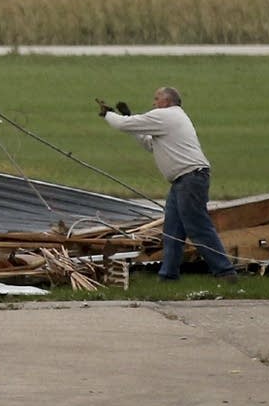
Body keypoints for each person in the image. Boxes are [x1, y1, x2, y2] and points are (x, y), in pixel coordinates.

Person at [99, 86, 238, 282]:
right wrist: (130, 119)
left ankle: (225, 272)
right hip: (183, 180)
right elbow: (150, 144)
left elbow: (123, 125)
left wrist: (109, 114)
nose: (153, 103)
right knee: (172, 230)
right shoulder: (169, 119)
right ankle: (168, 275)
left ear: (167, 101)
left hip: (190, 179)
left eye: (156, 98)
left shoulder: (166, 116)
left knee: (197, 226)